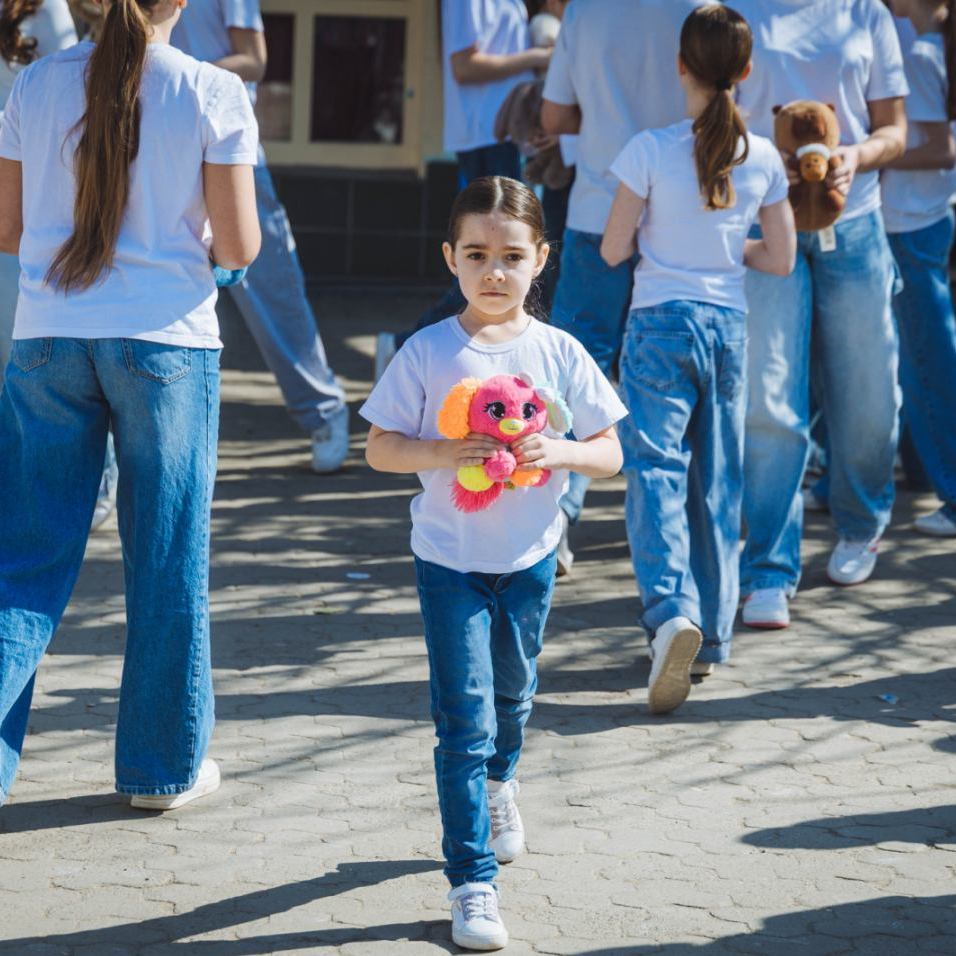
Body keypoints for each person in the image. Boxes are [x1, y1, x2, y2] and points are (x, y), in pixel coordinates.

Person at [0, 0, 260, 807]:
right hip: (167, 346)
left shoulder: (32, 85)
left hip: (45, 337)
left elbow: (8, 230)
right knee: (166, 556)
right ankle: (158, 770)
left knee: (23, 562)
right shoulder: (212, 91)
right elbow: (241, 245)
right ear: (179, 2)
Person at [361, 176, 625, 951]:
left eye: (511, 256)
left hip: (531, 559)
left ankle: (503, 782)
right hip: (448, 561)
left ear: (541, 259)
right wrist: (443, 451)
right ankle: (473, 880)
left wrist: (563, 449)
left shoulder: (559, 352)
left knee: (512, 698)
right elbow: (378, 446)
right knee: (463, 718)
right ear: (451, 258)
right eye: (476, 254)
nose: (494, 272)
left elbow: (609, 452)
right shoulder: (429, 349)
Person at [602, 4, 795, 712]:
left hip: (659, 325)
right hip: (728, 326)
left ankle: (669, 617)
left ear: (680, 65)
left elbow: (613, 249)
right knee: (719, 479)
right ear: (747, 72)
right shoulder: (766, 157)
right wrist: (723, 248)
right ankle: (710, 637)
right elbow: (779, 258)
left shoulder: (648, 149)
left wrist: (664, 237)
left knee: (655, 472)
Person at [729, 0, 908, 629]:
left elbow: (897, 130)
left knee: (869, 395)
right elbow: (710, 118)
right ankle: (768, 570)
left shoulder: (869, 14)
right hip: (763, 219)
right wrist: (754, 156)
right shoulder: (736, 11)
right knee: (769, 398)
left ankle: (862, 524)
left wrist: (858, 154)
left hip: (853, 225)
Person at [541, 0, 706, 575]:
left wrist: (610, 114)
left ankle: (555, 518)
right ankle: (678, 533)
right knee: (671, 381)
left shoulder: (585, 11)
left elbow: (554, 116)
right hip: (678, 219)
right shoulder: (699, 10)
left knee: (571, 374)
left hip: (597, 206)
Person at [170, 0, 350, 474]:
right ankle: (119, 466)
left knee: (268, 286)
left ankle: (324, 410)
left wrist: (175, 75)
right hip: (154, 145)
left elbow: (254, 57)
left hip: (229, 147)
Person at [373, 0, 551, 380]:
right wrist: (539, 56)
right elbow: (464, 66)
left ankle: (411, 351)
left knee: (495, 267)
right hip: (485, 136)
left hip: (501, 136)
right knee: (485, 267)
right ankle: (404, 349)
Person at [882, 0, 956, 537]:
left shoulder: (912, 48)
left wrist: (866, 152)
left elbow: (940, 146)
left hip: (911, 226)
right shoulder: (915, 42)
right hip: (914, 222)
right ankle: (920, 472)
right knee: (914, 362)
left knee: (928, 365)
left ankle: (951, 493)